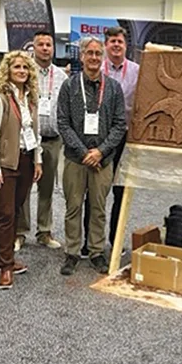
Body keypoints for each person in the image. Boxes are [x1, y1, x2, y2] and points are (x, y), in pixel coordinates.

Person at [58, 36, 126, 276]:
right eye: (90, 53)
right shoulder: (69, 86)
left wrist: (101, 151)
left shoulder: (114, 88)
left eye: (98, 53)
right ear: (82, 56)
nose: (94, 57)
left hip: (103, 161)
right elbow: (63, 123)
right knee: (73, 207)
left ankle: (96, 251)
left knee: (98, 208)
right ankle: (72, 252)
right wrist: (83, 152)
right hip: (75, 159)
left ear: (102, 57)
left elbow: (119, 124)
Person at [0, 51, 43, 289]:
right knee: (5, 214)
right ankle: (5, 266)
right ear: (7, 70)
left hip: (26, 161)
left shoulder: (31, 98)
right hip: (5, 164)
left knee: (16, 211)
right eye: (17, 67)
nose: (21, 71)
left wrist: (38, 160)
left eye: (25, 67)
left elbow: (35, 132)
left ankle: (8, 256)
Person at [81, 26, 139, 258]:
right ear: (106, 46)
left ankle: (115, 241)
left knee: (120, 192)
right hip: (98, 138)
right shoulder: (96, 69)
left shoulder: (137, 71)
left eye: (120, 41)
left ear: (126, 46)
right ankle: (89, 242)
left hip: (125, 138)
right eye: (112, 41)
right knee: (94, 191)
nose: (116, 45)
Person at [15, 31, 66, 251]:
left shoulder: (62, 77)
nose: (45, 48)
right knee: (23, 187)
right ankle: (20, 232)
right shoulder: (24, 73)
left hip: (52, 140)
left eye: (48, 45)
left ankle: (44, 231)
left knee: (47, 188)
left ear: (53, 48)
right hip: (27, 140)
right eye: (41, 44)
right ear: (33, 48)